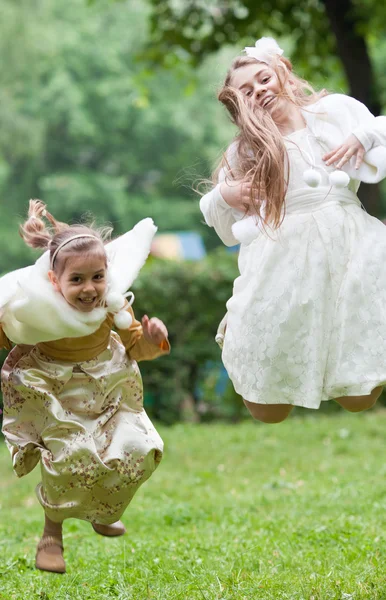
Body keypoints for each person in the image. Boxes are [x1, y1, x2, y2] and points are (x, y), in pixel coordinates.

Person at [200, 37, 386, 425]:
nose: (260, 91)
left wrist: (363, 136)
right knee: (268, 409)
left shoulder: (332, 115)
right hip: (284, 256)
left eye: (264, 79)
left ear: (281, 71)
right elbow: (226, 227)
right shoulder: (246, 152)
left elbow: (380, 131)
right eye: (247, 92)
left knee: (360, 396)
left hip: (350, 243)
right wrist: (224, 194)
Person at [0, 200, 170, 574]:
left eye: (97, 276)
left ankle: (103, 509)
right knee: (70, 456)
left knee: (140, 449)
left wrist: (154, 340)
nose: (89, 288)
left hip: (108, 387)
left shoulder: (112, 307)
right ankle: (51, 534)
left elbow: (135, 347)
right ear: (53, 281)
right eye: (76, 280)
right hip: (53, 392)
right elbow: (7, 330)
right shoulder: (33, 309)